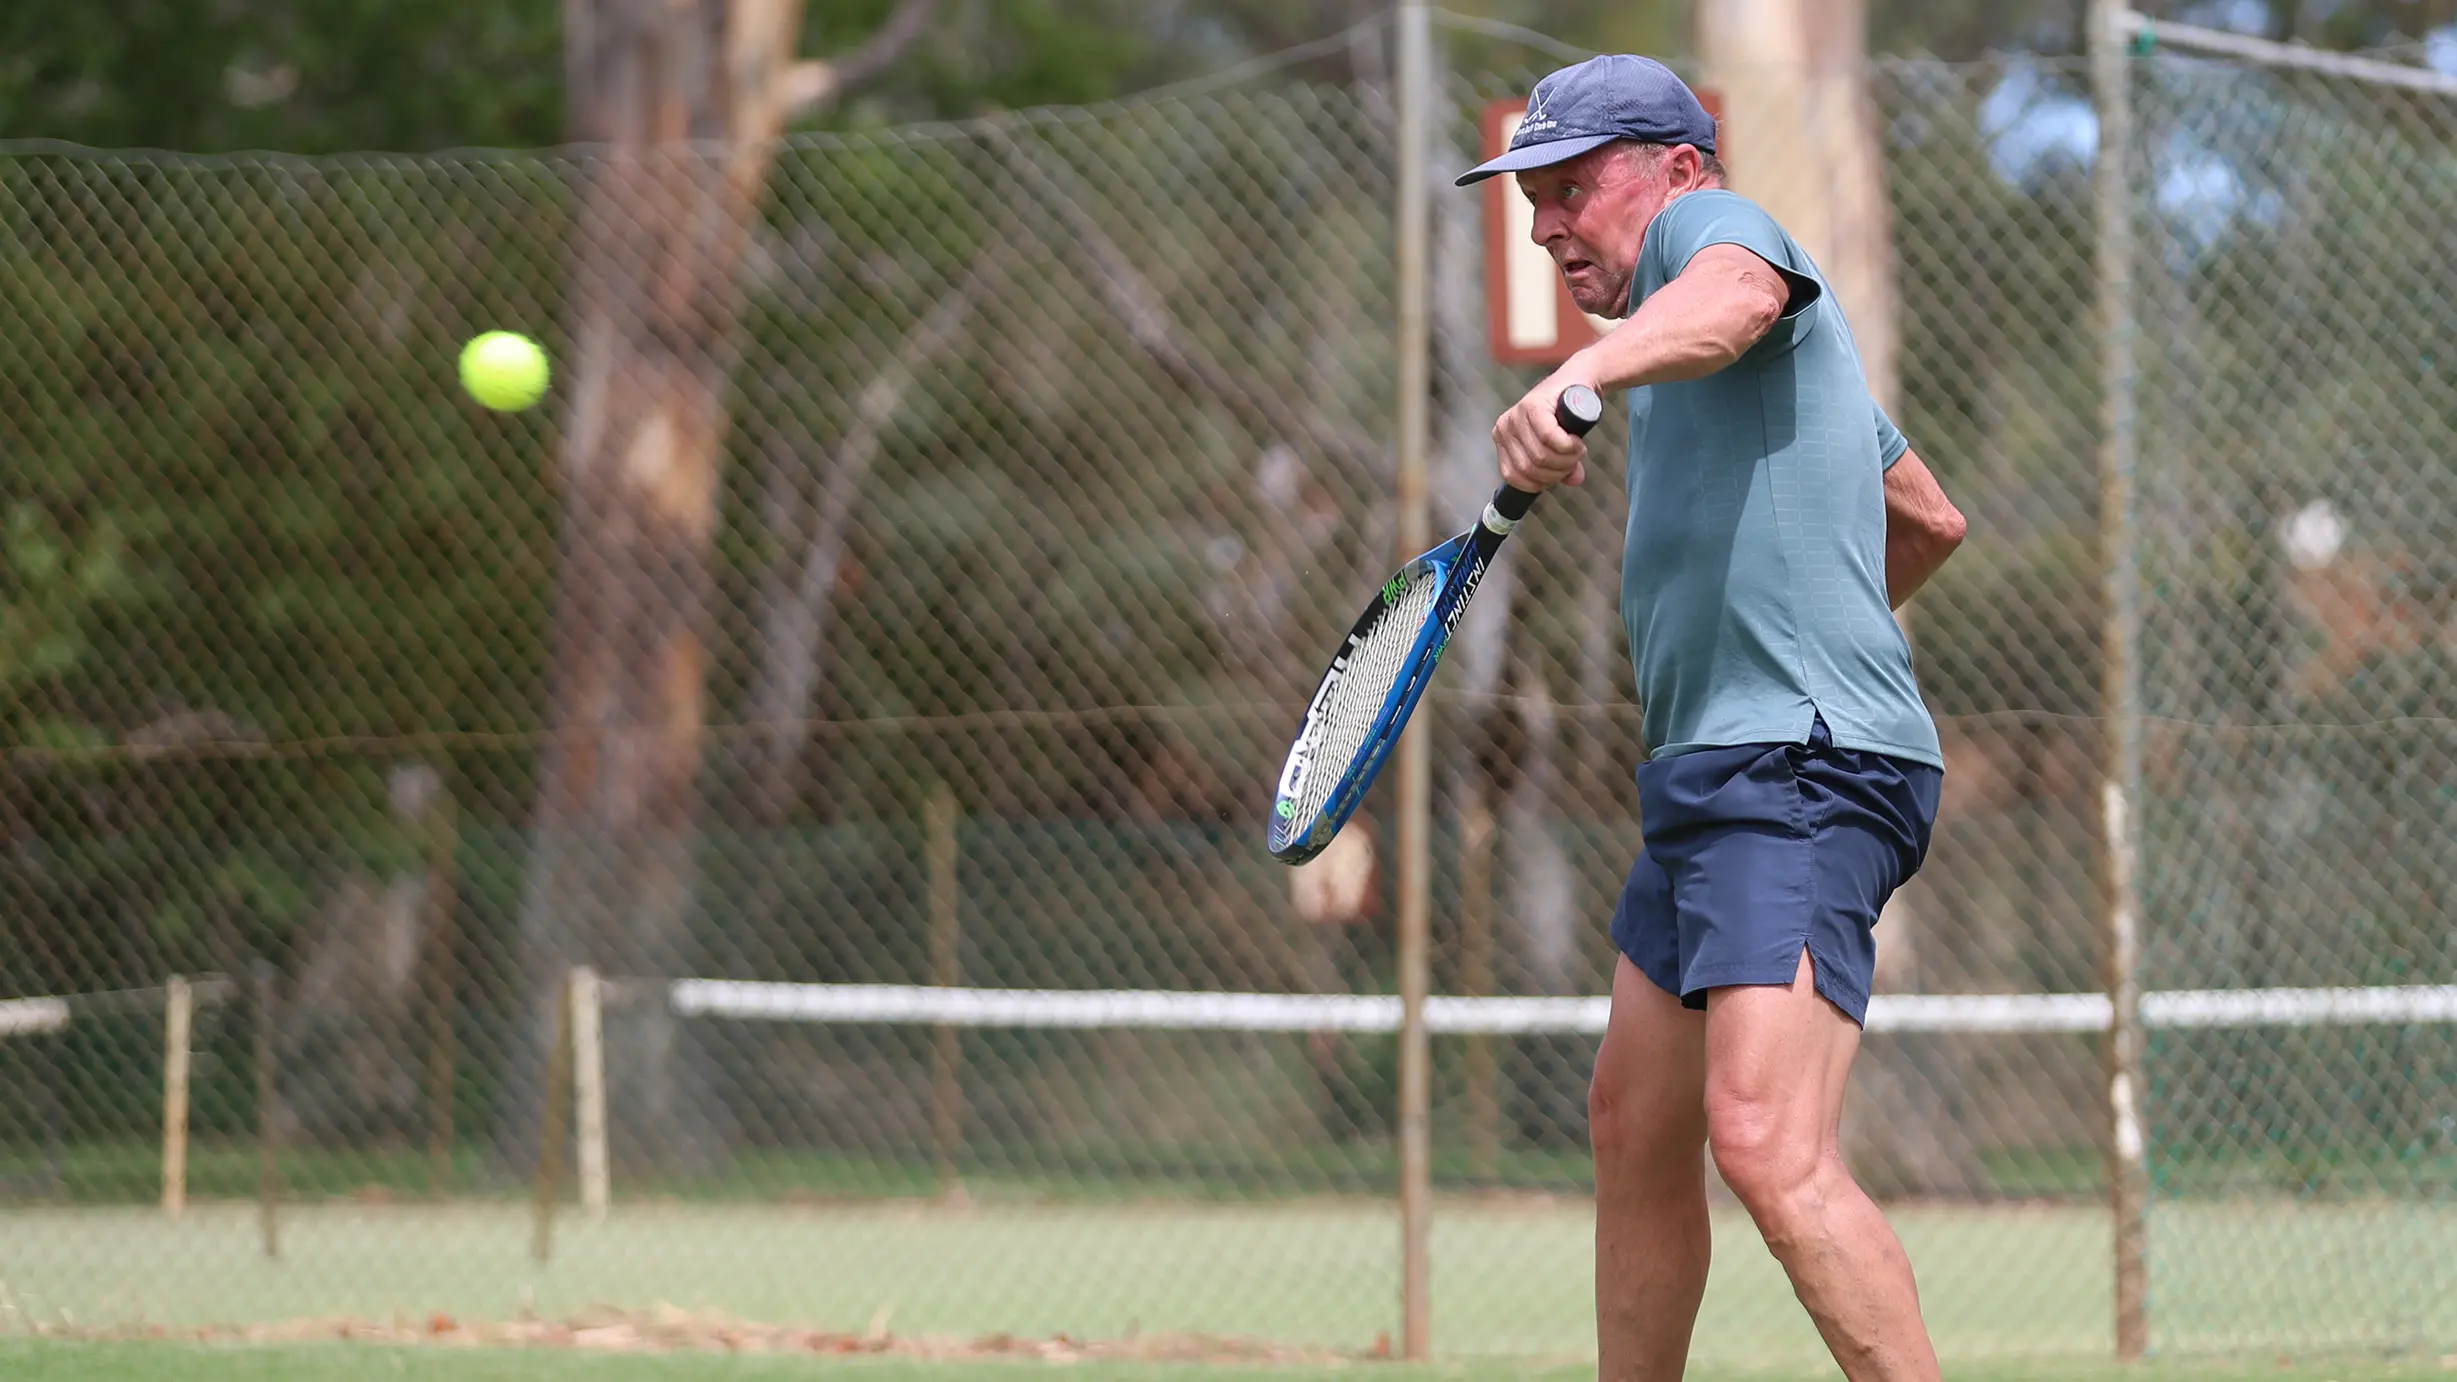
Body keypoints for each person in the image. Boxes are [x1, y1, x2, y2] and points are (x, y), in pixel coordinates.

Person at [1457, 54, 1969, 1382]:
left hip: (1795, 768)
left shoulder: (1718, 243)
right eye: (1531, 199)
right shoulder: (1750, 367)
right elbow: (1926, 518)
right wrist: (1822, 618)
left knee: (1764, 1139)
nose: (1546, 223)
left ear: (1679, 171)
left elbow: (1736, 290)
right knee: (1634, 1121)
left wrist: (1583, 377)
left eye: (1572, 187)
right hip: (1712, 771)